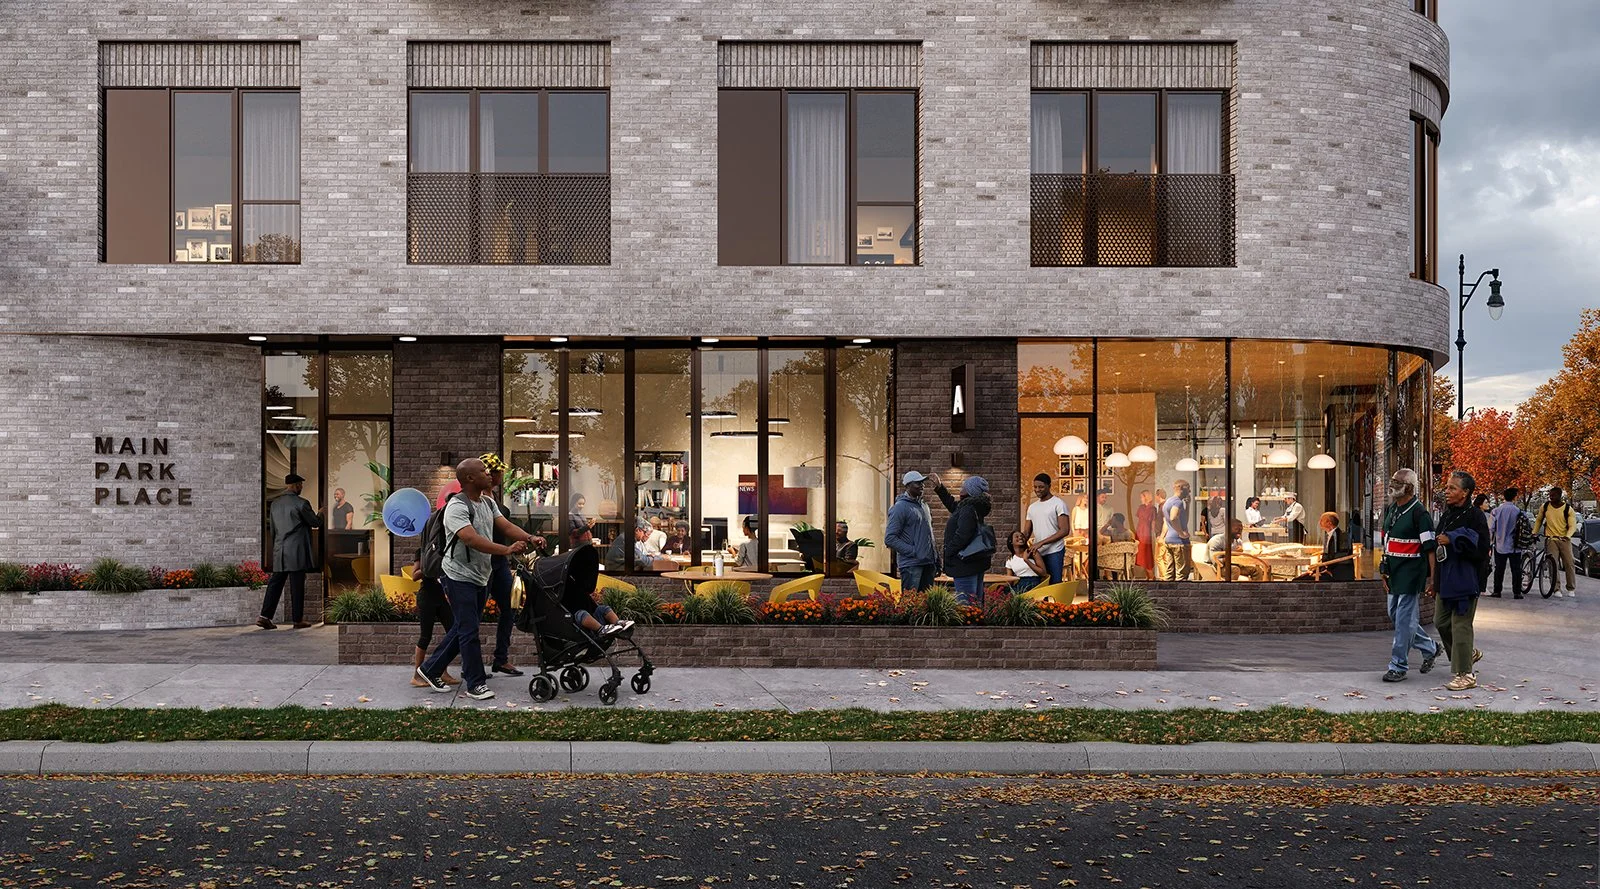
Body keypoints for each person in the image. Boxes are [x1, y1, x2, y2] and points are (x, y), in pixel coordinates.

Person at [415, 458, 541, 702]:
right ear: (470, 479)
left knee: (464, 626)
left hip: (481, 575)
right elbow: (470, 539)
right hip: (458, 576)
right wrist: (506, 551)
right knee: (469, 630)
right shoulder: (456, 507)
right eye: (483, 471)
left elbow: (504, 525)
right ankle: (475, 684)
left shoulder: (487, 502)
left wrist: (530, 536)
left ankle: (429, 669)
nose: (489, 474)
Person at [1378, 468, 1443, 683]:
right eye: (1393, 480)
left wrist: (1432, 579)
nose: (1392, 485)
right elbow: (1387, 542)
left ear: (1410, 488)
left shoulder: (1420, 514)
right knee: (1396, 616)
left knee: (1404, 621)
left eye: (1398, 482)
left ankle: (1398, 666)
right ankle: (1430, 647)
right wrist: (1383, 570)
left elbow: (1430, 549)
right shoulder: (1391, 510)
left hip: (1411, 574)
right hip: (1393, 573)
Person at [481, 453, 537, 678]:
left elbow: (506, 527)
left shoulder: (495, 500)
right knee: (472, 616)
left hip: (500, 564)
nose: (501, 474)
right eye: (498, 471)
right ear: (488, 473)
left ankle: (501, 660)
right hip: (482, 566)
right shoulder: (474, 501)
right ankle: (471, 665)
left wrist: (527, 539)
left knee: (510, 608)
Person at [1435, 470, 1490, 690]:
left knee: (1461, 625)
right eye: (1447, 487)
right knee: (1440, 622)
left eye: (1452, 488)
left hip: (1466, 580)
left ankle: (1466, 674)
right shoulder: (1448, 514)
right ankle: (1467, 654)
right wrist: (1433, 579)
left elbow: (1482, 549)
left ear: (1465, 493)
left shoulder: (1475, 516)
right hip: (1445, 579)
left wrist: (1453, 541)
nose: (1446, 491)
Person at [259, 472, 322, 630]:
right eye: (300, 485)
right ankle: (297, 620)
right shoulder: (301, 503)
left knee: (275, 583)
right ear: (295, 485)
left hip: (280, 550)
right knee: (297, 584)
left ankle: (264, 616)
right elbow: (315, 522)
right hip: (296, 551)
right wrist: (321, 513)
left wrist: (277, 546)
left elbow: (272, 530)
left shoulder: (275, 504)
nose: (301, 487)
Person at [936, 474, 994, 606]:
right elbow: (953, 506)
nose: (961, 488)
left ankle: (968, 627)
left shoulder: (968, 509)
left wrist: (948, 551)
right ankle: (975, 625)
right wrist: (940, 488)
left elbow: (963, 534)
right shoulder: (970, 506)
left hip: (965, 564)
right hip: (974, 562)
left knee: (965, 604)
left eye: (964, 486)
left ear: (970, 491)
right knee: (975, 604)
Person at [408, 557, 459, 688]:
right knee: (425, 636)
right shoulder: (424, 551)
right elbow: (414, 575)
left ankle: (442, 672)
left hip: (442, 598)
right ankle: (417, 676)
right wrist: (431, 563)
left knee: (453, 633)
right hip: (427, 597)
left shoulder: (445, 549)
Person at [885, 470, 938, 593]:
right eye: (917, 483)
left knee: (925, 605)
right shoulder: (899, 508)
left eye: (923, 482)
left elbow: (930, 535)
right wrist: (914, 551)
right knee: (910, 606)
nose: (922, 485)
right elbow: (890, 539)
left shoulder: (924, 506)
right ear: (908, 486)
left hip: (928, 563)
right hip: (911, 565)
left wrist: (936, 558)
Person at [1022, 473, 1070, 583]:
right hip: (1037, 553)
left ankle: (1057, 601)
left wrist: (1041, 543)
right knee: (1040, 585)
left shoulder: (1058, 504)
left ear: (1049, 486)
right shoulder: (1032, 507)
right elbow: (1026, 531)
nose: (1037, 490)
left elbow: (1065, 530)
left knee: (1054, 584)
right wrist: (1017, 547)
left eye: (1041, 487)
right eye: (1035, 487)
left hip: (1055, 551)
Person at [1535, 486, 1579, 598]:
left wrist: (1568, 536)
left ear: (1560, 496)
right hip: (1551, 539)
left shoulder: (1568, 509)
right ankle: (1555, 589)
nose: (1551, 497)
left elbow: (1572, 525)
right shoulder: (1545, 507)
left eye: (1553, 495)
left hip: (1564, 539)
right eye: (1550, 495)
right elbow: (1539, 520)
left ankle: (1571, 588)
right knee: (1552, 564)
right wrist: (1534, 532)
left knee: (1569, 563)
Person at [1488, 487, 1524, 599]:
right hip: (1515, 545)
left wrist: (1490, 542)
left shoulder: (1496, 511)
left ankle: (1497, 591)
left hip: (1500, 544)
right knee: (1516, 569)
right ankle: (1517, 592)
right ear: (1515, 497)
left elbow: (1490, 528)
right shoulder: (1518, 511)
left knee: (1499, 569)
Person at [1159, 479, 1193, 581]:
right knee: (1181, 574)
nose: (1190, 491)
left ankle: (1168, 594)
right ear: (1181, 488)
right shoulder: (1177, 502)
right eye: (1188, 488)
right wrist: (1181, 533)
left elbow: (1181, 521)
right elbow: (1173, 517)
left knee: (1169, 573)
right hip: (1179, 542)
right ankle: (1181, 596)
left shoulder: (1168, 502)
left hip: (1169, 540)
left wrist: (1188, 505)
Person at [1004, 529, 1046, 593]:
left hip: (1034, 583)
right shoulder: (1010, 560)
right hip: (1021, 583)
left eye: (1022, 536)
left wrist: (1026, 560)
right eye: (1017, 536)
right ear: (1011, 541)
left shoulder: (1033, 552)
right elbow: (1010, 580)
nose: (1020, 537)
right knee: (1001, 590)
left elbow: (1043, 573)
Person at [1318, 512, 1355, 582]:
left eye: (1321, 520)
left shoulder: (1343, 536)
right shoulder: (1328, 535)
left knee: (1301, 580)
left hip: (1339, 572)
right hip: (1328, 568)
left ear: (1329, 523)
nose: (1319, 522)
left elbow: (1342, 555)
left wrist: (1327, 568)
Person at [1134, 490, 1159, 576]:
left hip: (1146, 532)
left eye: (1141, 497)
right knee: (1139, 553)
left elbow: (1153, 522)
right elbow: (1139, 519)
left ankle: (1151, 575)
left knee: (1146, 554)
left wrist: (1155, 534)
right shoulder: (1141, 507)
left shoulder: (1153, 509)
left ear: (1146, 497)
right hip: (1139, 531)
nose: (1140, 499)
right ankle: (1148, 576)